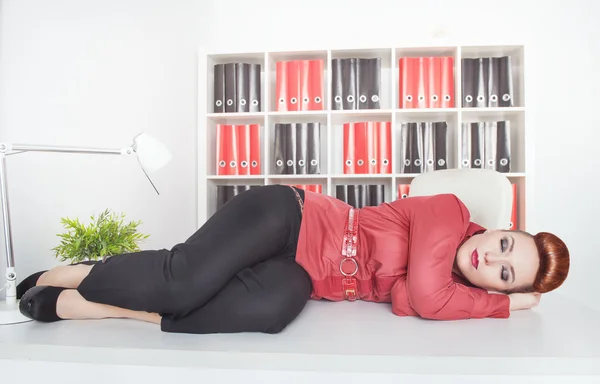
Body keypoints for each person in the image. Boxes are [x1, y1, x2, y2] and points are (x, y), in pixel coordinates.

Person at [16, 184, 570, 334]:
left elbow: (406, 301)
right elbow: (421, 298)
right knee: (184, 282)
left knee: (270, 312)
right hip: (289, 217)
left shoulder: (449, 283)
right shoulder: (450, 211)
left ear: (495, 284)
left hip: (303, 274)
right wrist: (503, 307)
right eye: (504, 244)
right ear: (500, 226)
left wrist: (482, 301)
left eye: (503, 274)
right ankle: (80, 278)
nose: (489, 256)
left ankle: (117, 311)